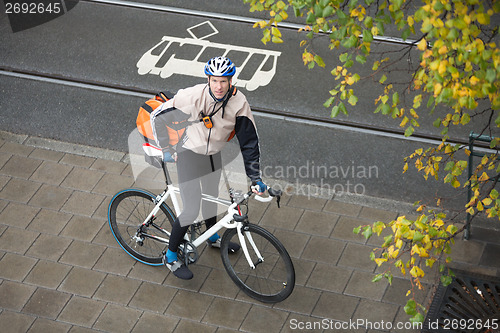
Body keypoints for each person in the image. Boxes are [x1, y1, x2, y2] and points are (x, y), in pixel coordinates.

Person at [150, 56, 267, 280]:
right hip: (189, 154)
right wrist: (165, 148)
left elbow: (249, 143)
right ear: (208, 79)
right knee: (191, 209)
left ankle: (212, 237)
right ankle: (171, 256)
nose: (219, 86)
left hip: (213, 154)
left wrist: (255, 178)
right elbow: (158, 116)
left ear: (231, 80)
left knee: (213, 197)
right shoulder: (192, 97)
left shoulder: (239, 103)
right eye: (215, 80)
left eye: (224, 81)